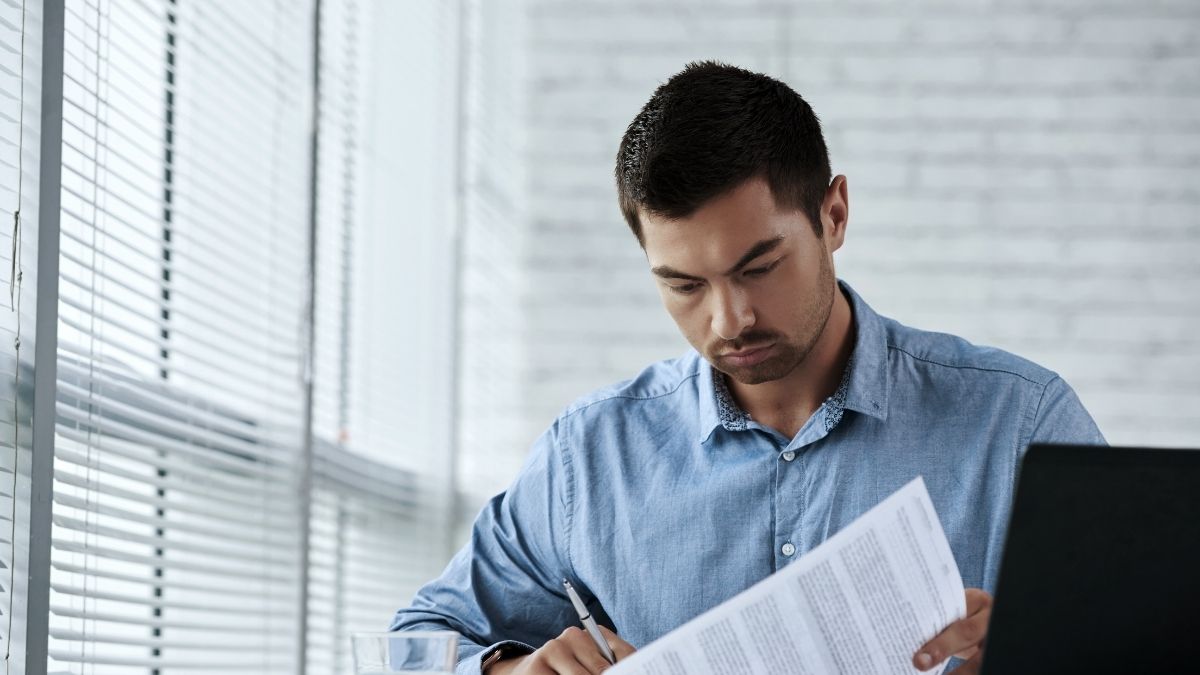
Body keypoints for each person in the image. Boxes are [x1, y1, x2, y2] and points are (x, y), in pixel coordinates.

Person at [390, 61, 1105, 674]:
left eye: (758, 267)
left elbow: (1147, 642)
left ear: (834, 215)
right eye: (683, 285)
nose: (729, 319)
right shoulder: (589, 457)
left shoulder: (1020, 423)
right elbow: (416, 640)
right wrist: (511, 666)